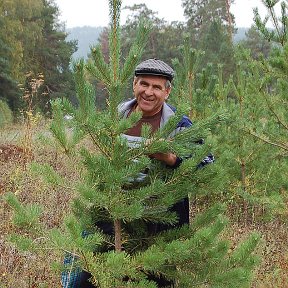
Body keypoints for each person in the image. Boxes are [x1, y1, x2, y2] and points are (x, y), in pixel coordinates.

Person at [61, 58, 213, 287]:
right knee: (92, 278)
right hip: (112, 214)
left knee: (155, 280)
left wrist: (172, 158)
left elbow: (207, 163)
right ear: (134, 85)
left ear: (167, 91)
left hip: (159, 224)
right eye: (144, 84)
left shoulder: (178, 124)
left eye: (156, 87)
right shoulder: (117, 116)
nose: (148, 92)